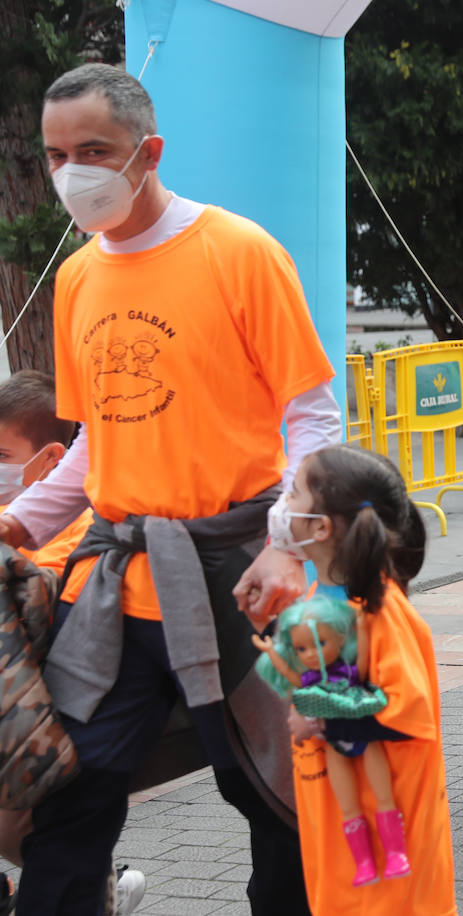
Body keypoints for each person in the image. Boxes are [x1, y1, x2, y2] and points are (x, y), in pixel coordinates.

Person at [0, 63, 342, 913]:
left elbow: (314, 421)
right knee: (69, 792)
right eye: (54, 154)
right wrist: (14, 523)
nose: (71, 171)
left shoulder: (240, 252)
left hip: (242, 579)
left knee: (276, 799)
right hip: (117, 585)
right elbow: (92, 449)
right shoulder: (77, 278)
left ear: (146, 152)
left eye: (93, 150)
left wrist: (286, 549)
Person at [266, 445, 455, 913]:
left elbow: (404, 708)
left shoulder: (379, 612)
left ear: (321, 527)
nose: (281, 505)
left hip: (394, 878)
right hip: (341, 844)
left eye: (293, 493)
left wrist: (319, 717)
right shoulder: (321, 599)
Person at [0, 371, 143, 914]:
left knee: (42, 833)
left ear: (54, 459)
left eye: (0, 453)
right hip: (28, 723)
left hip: (39, 721)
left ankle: (97, 886)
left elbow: (37, 596)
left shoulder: (76, 526)